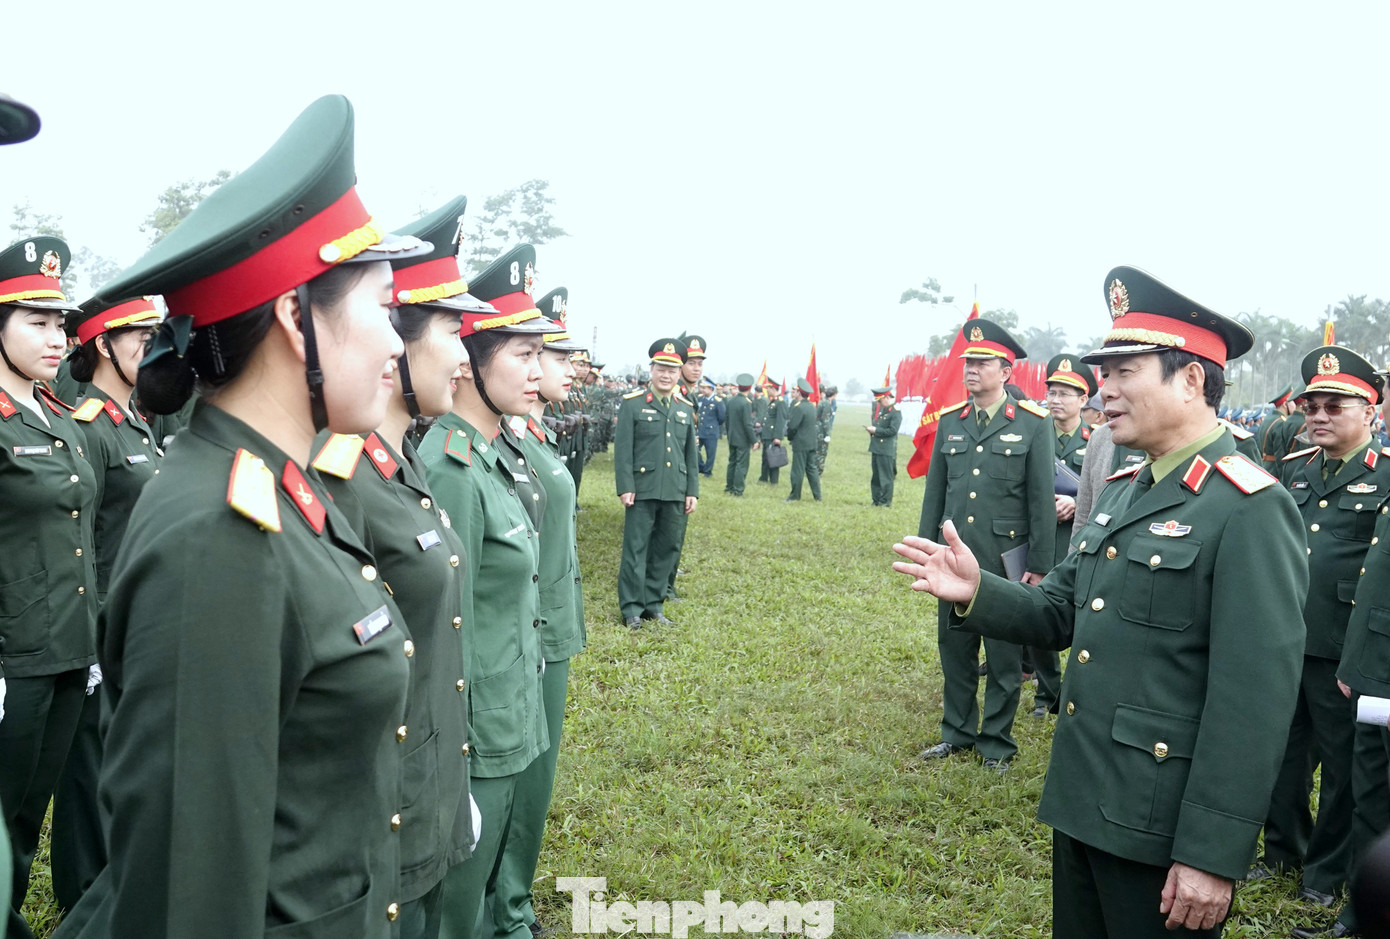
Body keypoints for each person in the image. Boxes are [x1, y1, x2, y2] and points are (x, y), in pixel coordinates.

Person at [55, 95, 427, 938]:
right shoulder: (219, 539)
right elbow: (189, 893)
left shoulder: (276, 485)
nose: (398, 343)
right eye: (383, 306)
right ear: (298, 319)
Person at [893, 265, 1306, 937]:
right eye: (1101, 372)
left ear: (1192, 378)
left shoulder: (1249, 507)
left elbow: (1254, 700)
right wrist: (978, 589)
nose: (1102, 391)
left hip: (1161, 831)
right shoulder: (1123, 486)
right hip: (1083, 801)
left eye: (1123, 371)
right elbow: (1061, 608)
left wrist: (1211, 852)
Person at [310, 196, 484, 939]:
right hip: (379, 825)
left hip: (427, 795)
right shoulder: (338, 476)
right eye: (452, 331)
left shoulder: (401, 462)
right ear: (398, 342)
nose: (467, 356)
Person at [418, 243, 555, 939]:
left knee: (477, 902)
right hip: (474, 736)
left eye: (540, 355)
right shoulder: (449, 464)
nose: (540, 371)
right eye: (523, 354)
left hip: (511, 717)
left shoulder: (496, 456)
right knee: (454, 913)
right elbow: (446, 623)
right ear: (471, 360)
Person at [1259, 347, 1390, 937]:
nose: (1317, 414)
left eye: (1334, 404)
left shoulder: (1384, 473)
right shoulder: (1297, 467)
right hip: (1288, 637)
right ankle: (1282, 850)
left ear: (1371, 409)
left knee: (1341, 769)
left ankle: (1326, 871)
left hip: (1344, 649)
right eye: (1310, 404)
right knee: (1281, 754)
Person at [0, 236, 100, 939]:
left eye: (59, 323)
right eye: (36, 322)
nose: (55, 337)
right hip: (14, 660)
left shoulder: (56, 415)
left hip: (67, 648)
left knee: (30, 813)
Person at [49, 295, 163, 914]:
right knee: (87, 789)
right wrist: (90, 641)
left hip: (137, 634)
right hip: (98, 637)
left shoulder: (136, 421)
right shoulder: (89, 427)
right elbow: (80, 546)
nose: (151, 346)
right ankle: (82, 910)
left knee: (122, 783)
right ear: (101, 346)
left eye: (153, 334)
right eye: (137, 337)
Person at [915, 319, 1055, 772]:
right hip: (953, 560)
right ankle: (956, 733)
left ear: (1006, 371)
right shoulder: (952, 422)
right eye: (968, 362)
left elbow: (1040, 502)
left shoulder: (1033, 424)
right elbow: (935, 494)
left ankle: (996, 743)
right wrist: (927, 552)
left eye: (981, 362)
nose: (971, 369)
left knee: (1002, 659)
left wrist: (1037, 565)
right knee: (954, 651)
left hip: (1002, 564)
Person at [494, 310, 587, 939]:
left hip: (552, 625)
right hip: (527, 633)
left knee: (536, 779)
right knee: (517, 785)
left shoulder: (538, 435)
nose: (558, 369)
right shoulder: (505, 442)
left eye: (546, 357)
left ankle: (511, 903)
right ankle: (505, 911)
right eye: (544, 356)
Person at [1029, 353, 1098, 719]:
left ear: (1084, 399)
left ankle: (1077, 688)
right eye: (1052, 392)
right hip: (1037, 539)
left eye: (1066, 393)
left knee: (1080, 614)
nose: (1056, 399)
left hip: (1074, 539)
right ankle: (1047, 693)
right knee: (1039, 609)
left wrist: (1073, 501)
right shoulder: (1033, 434)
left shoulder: (1098, 440)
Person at [613, 339, 699, 628]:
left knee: (666, 549)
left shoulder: (685, 408)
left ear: (679, 373)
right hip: (642, 489)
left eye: (673, 370)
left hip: (675, 489)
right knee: (636, 549)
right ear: (651, 369)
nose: (667, 375)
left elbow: (690, 454)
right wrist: (625, 486)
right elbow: (623, 451)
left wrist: (692, 492)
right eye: (661, 368)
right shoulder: (633, 404)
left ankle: (654, 605)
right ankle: (632, 608)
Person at [784, 377, 822, 502]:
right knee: (812, 469)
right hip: (811, 442)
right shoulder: (811, 406)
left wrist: (789, 436)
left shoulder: (798, 407)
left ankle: (795, 495)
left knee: (797, 470)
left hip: (801, 443)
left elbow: (793, 426)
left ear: (799, 393)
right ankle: (818, 496)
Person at [723, 373, 758, 496]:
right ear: (749, 388)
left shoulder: (731, 401)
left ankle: (729, 486)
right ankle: (738, 489)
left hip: (732, 436)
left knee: (732, 462)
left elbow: (726, 420)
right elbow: (747, 424)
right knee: (741, 464)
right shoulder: (746, 403)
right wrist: (754, 440)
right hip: (742, 438)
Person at [867, 386, 901, 507]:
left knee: (886, 477)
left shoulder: (895, 412)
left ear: (887, 398)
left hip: (886, 449)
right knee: (876, 477)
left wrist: (876, 430)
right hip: (876, 447)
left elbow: (892, 430)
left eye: (880, 401)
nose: (879, 404)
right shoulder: (883, 410)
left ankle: (885, 501)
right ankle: (876, 499)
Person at [1258, 385, 1298, 464]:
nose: (1295, 405)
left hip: (1264, 465)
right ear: (1285, 404)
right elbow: (1280, 455)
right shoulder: (1281, 423)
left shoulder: (1267, 419)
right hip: (1274, 470)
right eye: (1293, 402)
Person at [757, 379, 787, 484]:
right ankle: (764, 477)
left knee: (773, 458)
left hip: (773, 435)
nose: (766, 390)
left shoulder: (780, 402)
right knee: (766, 457)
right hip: (767, 434)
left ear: (773, 389)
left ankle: (774, 480)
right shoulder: (773, 401)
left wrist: (778, 436)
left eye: (768, 388)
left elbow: (780, 421)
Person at [696, 377, 724, 477]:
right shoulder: (700, 399)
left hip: (711, 432)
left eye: (705, 388)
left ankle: (708, 472)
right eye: (702, 388)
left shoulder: (717, 401)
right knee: (695, 450)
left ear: (711, 389)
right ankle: (701, 467)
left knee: (710, 454)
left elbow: (721, 417)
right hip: (700, 431)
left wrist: (714, 425)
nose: (703, 390)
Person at [816, 384, 836, 474]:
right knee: (821, 452)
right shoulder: (826, 404)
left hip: (817, 430)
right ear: (834, 394)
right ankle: (818, 471)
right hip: (821, 432)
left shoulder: (822, 402)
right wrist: (827, 434)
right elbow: (826, 420)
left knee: (817, 451)